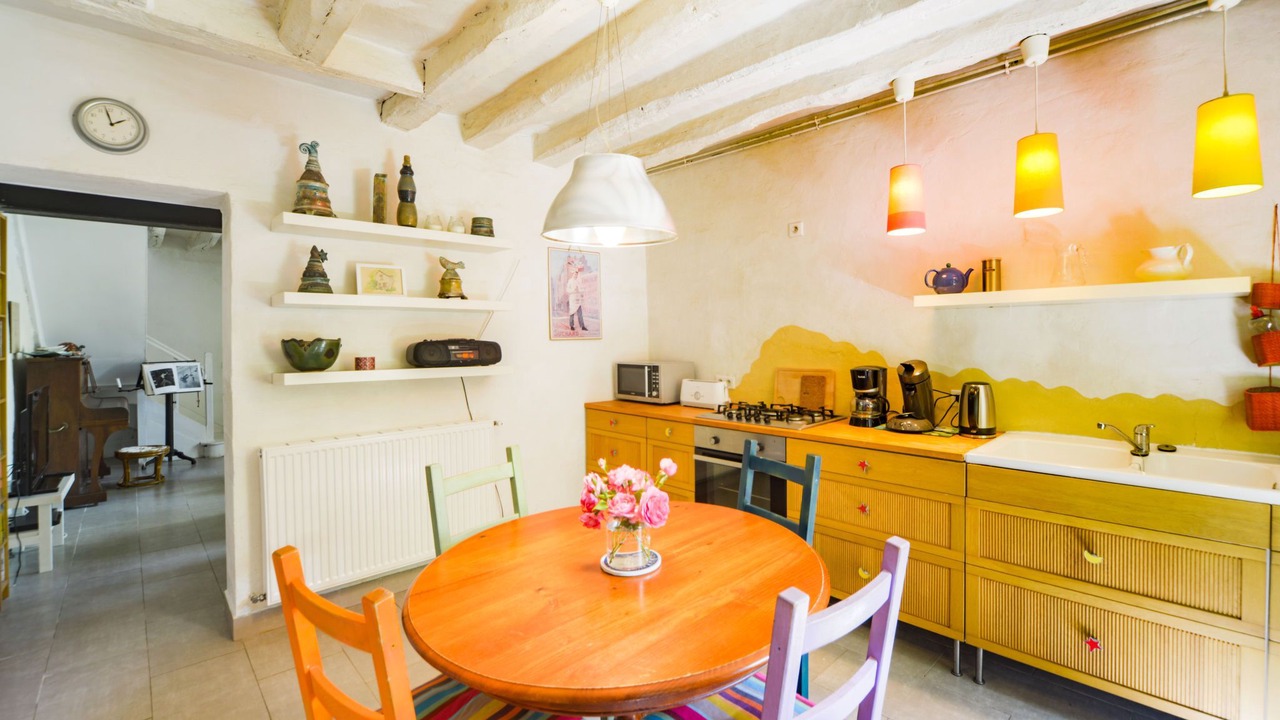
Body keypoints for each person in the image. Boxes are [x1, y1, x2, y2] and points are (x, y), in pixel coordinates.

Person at [565, 256, 588, 332]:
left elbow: (581, 289)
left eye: (577, 274)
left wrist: (580, 290)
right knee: (572, 312)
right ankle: (571, 325)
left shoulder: (578, 281)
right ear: (573, 274)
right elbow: (568, 290)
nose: (575, 275)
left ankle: (582, 326)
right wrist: (573, 290)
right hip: (572, 298)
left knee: (580, 313)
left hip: (578, 299)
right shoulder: (570, 281)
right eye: (575, 273)